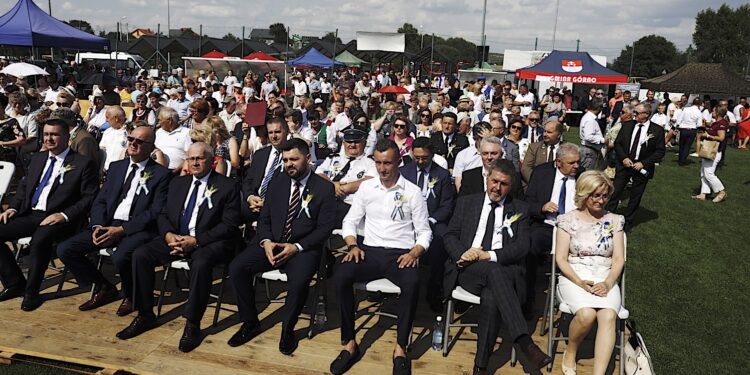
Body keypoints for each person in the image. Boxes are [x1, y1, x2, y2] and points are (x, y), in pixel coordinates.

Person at [116, 142, 241, 353]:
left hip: (208, 241)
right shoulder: (178, 184)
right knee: (141, 254)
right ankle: (145, 314)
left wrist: (196, 241)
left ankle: (192, 323)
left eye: (199, 158)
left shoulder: (228, 186)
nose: (194, 163)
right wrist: (168, 236)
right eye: (191, 159)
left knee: (201, 263)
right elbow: (163, 214)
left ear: (212, 160)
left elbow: (229, 225)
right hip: (175, 238)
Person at [330, 139, 431, 375]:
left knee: (412, 282)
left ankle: (401, 348)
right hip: (370, 250)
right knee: (341, 275)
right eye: (378, 163)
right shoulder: (366, 188)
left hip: (401, 254)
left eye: (387, 163)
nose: (382, 169)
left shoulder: (413, 192)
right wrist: (352, 244)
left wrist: (415, 252)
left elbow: (425, 231)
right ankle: (349, 343)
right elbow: (350, 221)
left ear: (399, 162)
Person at [443, 159, 552, 373]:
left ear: (510, 186)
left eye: (504, 184)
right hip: (469, 269)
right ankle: (525, 343)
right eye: (494, 181)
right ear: (487, 178)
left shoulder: (519, 209)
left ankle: (480, 366)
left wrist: (489, 255)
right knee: (495, 274)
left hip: (504, 270)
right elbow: (450, 235)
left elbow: (522, 247)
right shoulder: (467, 202)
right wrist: (463, 254)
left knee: (492, 295)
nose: (497, 188)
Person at [227, 138, 335, 353]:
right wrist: (266, 242)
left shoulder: (323, 188)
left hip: (302, 248)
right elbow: (265, 219)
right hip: (271, 243)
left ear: (308, 158)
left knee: (299, 281)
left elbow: (324, 229)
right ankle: (250, 322)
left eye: (294, 159)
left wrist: (297, 247)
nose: (289, 164)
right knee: (237, 268)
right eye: (285, 160)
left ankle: (288, 330)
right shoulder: (278, 182)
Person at [56, 126, 170, 315]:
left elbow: (155, 211)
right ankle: (103, 287)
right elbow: (101, 200)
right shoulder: (117, 167)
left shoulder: (161, 174)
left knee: (121, 256)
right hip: (108, 223)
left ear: (152, 148)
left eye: (140, 142)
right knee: (65, 249)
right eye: (131, 139)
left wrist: (122, 230)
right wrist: (98, 225)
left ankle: (132, 295)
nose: (133, 143)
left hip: (138, 228)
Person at [0, 108, 98, 311]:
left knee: (39, 242)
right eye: (46, 134)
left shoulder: (82, 163)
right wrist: (14, 208)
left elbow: (89, 198)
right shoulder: (38, 159)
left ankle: (32, 293)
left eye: (54, 134)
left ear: (66, 136)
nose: (49, 139)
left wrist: (64, 215)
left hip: (60, 219)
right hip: (31, 214)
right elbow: (24, 187)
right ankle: (14, 283)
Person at [555, 170, 625, 375]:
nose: (601, 200)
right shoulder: (567, 220)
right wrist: (579, 282)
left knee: (608, 315)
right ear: (584, 194)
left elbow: (619, 259)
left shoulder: (614, 220)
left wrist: (609, 283)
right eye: (596, 195)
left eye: (604, 195)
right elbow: (560, 259)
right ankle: (571, 351)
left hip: (605, 274)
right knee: (586, 315)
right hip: (574, 274)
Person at [523, 143, 581, 315]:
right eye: (571, 163)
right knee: (530, 246)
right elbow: (527, 204)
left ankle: (573, 297)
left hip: (575, 229)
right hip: (546, 225)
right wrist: (542, 207)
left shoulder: (583, 175)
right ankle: (527, 298)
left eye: (578, 162)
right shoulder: (542, 173)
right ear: (558, 162)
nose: (576, 166)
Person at [400, 137, 455, 312]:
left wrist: (429, 221)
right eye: (417, 157)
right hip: (407, 219)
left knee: (442, 244)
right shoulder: (403, 172)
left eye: (424, 158)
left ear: (432, 155)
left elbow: (447, 204)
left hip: (433, 219)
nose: (420, 161)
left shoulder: (442, 175)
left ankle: (434, 291)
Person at [605, 103, 665, 231]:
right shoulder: (627, 126)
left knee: (635, 196)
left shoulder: (657, 130)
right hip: (625, 164)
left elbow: (660, 151)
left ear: (646, 114)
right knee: (615, 192)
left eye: (637, 113)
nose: (634, 115)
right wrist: (624, 158)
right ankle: (607, 218)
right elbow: (618, 144)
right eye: (634, 112)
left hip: (641, 167)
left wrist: (644, 163)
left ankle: (627, 222)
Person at [316, 125, 376, 227]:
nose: (352, 145)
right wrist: (333, 186)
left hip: (351, 206)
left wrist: (343, 188)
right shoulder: (332, 158)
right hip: (327, 203)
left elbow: (370, 180)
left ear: (364, 143)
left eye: (356, 142)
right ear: (343, 143)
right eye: (349, 142)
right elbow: (318, 174)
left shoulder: (370, 162)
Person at [242, 118, 289, 221]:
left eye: (277, 132)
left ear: (287, 131)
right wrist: (250, 197)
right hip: (254, 203)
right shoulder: (260, 154)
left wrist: (267, 203)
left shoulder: (292, 156)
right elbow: (247, 181)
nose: (274, 136)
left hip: (278, 207)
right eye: (270, 132)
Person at [692, 107, 727, 202]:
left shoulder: (722, 123)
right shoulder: (716, 123)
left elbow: (721, 138)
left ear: (718, 113)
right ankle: (703, 193)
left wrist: (707, 136)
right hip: (708, 150)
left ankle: (721, 191)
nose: (712, 112)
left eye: (713, 111)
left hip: (714, 152)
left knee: (709, 173)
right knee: (703, 172)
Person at [521, 120, 564, 184]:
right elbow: (525, 168)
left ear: (558, 135)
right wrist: (536, 183)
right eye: (544, 131)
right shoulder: (534, 147)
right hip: (537, 184)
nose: (544, 134)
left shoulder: (566, 149)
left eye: (549, 132)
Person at [154, 107, 192, 171]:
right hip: (157, 171)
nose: (159, 123)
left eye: (160, 120)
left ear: (169, 121)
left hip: (176, 172)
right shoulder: (159, 132)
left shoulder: (187, 133)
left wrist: (174, 172)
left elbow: (189, 156)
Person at [99, 106, 129, 171]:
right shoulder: (107, 132)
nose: (106, 120)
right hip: (105, 169)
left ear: (116, 119)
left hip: (120, 170)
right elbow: (102, 150)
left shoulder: (129, 133)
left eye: (107, 117)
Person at [579, 100, 606, 170]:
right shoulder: (590, 119)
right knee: (586, 174)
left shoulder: (589, 117)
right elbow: (589, 136)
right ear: (599, 109)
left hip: (589, 149)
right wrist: (603, 140)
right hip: (589, 150)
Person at [0, 94, 26, 163]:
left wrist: (3, 143)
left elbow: (22, 139)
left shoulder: (11, 122)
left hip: (6, 158)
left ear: (2, 107)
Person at [678, 98, 703, 164]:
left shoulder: (686, 109)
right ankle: (683, 160)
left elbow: (679, 118)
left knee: (682, 144)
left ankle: (680, 159)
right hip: (692, 129)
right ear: (699, 104)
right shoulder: (699, 112)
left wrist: (677, 125)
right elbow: (699, 124)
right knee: (687, 145)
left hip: (683, 128)